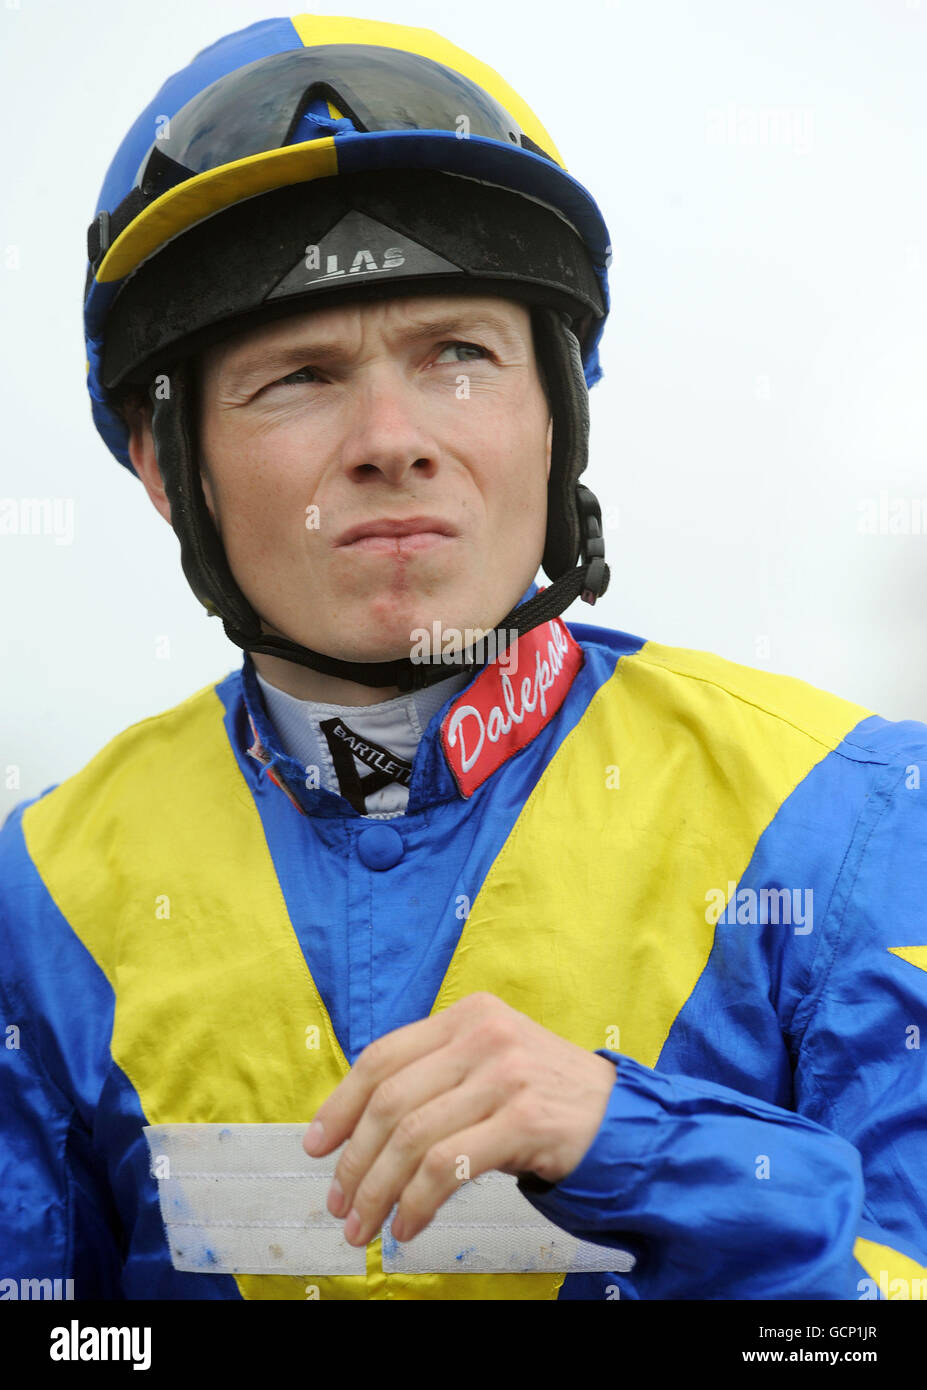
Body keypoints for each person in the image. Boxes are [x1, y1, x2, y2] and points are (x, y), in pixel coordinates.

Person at [0, 12, 925, 1304]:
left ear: (557, 415)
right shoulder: (35, 898)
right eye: (300, 375)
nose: (392, 438)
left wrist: (636, 1145)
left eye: (458, 355)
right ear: (166, 465)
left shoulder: (859, 813)